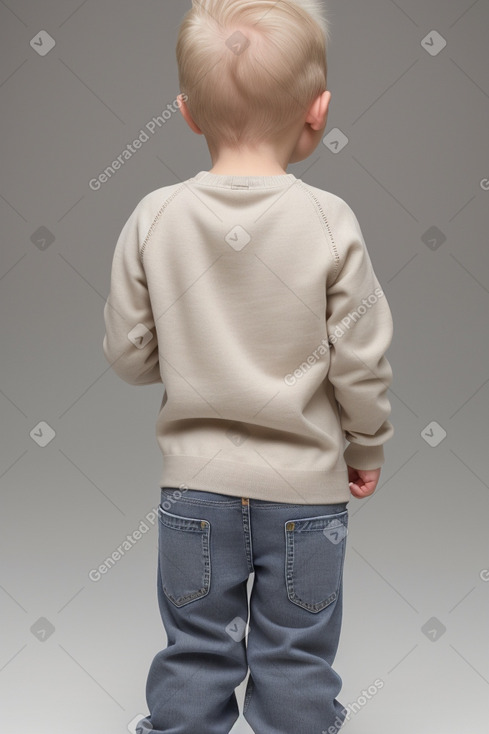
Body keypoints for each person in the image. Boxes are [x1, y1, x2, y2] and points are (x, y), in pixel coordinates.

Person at [102, 1, 394, 732]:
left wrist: (196, 352)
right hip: (305, 495)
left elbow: (129, 356)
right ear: (316, 111)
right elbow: (360, 360)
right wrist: (366, 446)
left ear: (187, 113)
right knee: (296, 654)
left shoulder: (154, 216)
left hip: (193, 491)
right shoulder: (329, 221)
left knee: (196, 649)